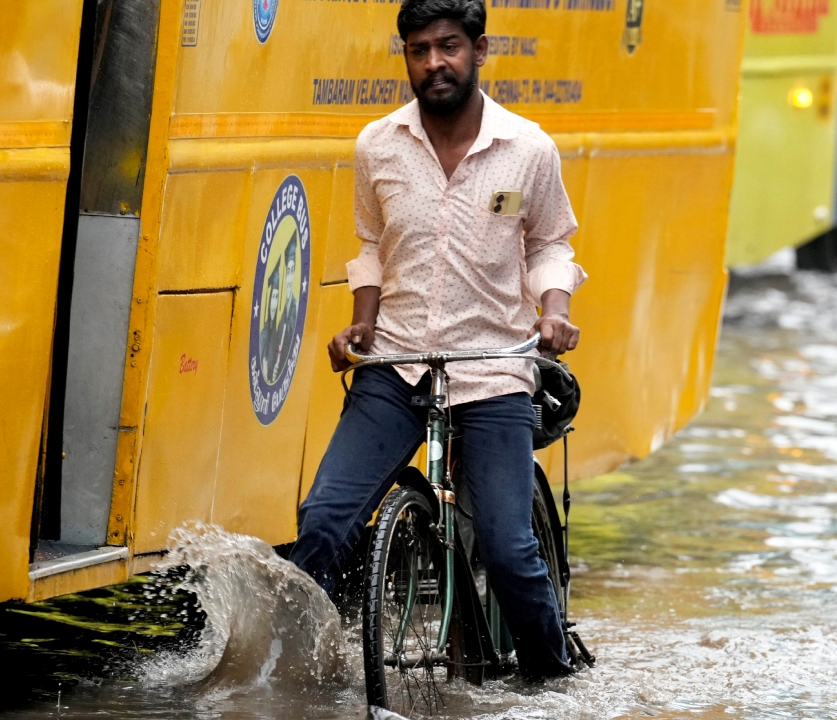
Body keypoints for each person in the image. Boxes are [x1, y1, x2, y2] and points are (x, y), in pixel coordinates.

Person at [287, 0, 586, 679]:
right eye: (418, 50)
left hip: (493, 368)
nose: (433, 63)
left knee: (509, 550)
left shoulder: (528, 150)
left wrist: (553, 311)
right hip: (397, 363)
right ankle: (305, 675)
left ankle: (552, 679)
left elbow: (551, 244)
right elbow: (371, 245)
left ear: (480, 51)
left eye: (448, 46)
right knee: (323, 524)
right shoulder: (378, 145)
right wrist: (361, 323)